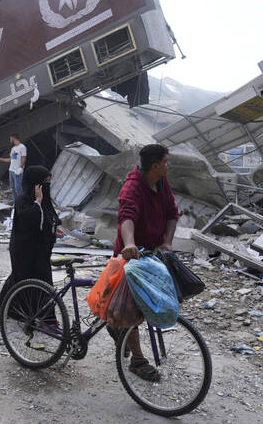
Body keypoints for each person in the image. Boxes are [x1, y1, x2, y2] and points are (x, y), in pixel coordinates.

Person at [111, 144, 179, 382]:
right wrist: (129, 244)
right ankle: (137, 360)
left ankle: (117, 327)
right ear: (156, 165)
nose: (168, 165)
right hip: (130, 256)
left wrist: (167, 243)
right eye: (166, 162)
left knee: (150, 303)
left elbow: (172, 213)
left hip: (151, 254)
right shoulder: (132, 187)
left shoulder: (161, 183)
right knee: (132, 308)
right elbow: (126, 217)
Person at [0, 166, 62, 316]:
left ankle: (3, 304)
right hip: (24, 248)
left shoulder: (43, 198)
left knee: (21, 277)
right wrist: (37, 201)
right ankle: (45, 319)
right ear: (35, 183)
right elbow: (31, 219)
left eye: (49, 181)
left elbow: (46, 219)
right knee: (38, 281)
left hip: (37, 249)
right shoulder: (23, 200)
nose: (47, 185)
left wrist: (54, 230)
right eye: (45, 182)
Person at [0, 133, 26, 202]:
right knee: (13, 188)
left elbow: (23, 158)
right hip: (11, 170)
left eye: (10, 139)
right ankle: (15, 203)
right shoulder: (13, 148)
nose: (10, 140)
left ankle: (21, 203)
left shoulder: (22, 147)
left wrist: (20, 169)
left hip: (17, 171)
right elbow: (11, 159)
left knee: (18, 189)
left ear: (14, 138)